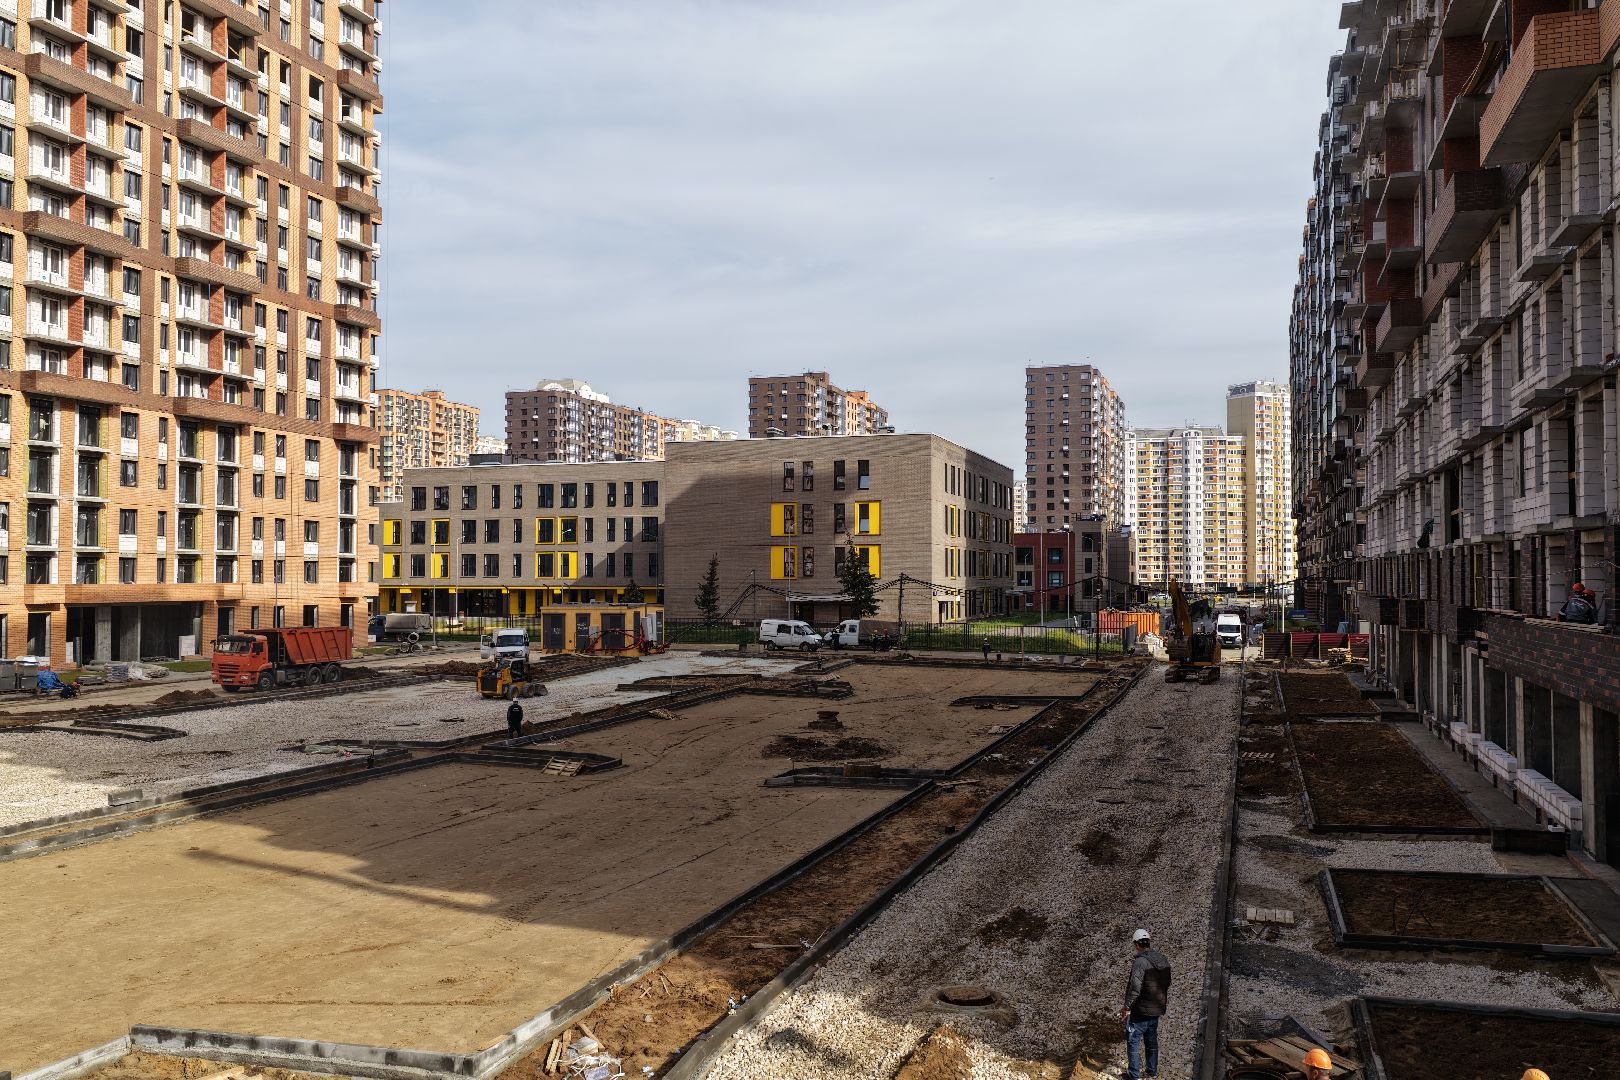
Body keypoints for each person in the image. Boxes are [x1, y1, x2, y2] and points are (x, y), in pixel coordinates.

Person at [1118, 928, 1171, 1080]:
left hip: (1141, 1011)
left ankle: (1134, 1076)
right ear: (1148, 942)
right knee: (1151, 1040)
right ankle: (1152, 1073)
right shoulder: (1163, 959)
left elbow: (1135, 988)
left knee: (1133, 1041)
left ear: (1136, 944)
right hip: (1156, 1009)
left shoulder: (1140, 962)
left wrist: (1127, 1007)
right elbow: (1167, 983)